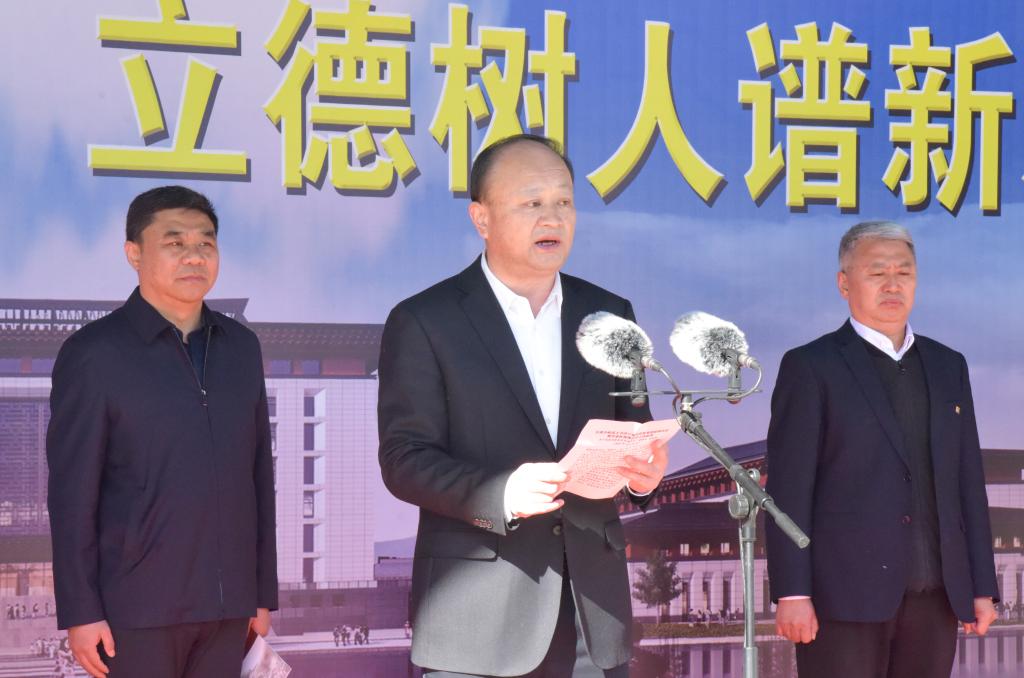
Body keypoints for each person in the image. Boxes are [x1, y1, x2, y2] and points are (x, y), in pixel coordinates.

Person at [378, 133, 668, 677]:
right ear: (481, 218)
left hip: (592, 615)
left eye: (564, 202)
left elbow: (634, 429)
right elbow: (404, 459)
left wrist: (643, 476)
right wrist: (503, 493)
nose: (552, 218)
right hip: (476, 621)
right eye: (531, 202)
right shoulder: (425, 321)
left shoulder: (610, 315)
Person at [46, 186, 278, 678]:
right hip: (135, 611)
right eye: (175, 243)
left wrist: (261, 593)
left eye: (206, 243)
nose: (194, 256)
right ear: (134, 254)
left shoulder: (242, 348)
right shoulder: (94, 353)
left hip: (228, 609)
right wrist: (81, 610)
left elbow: (258, 478)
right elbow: (72, 495)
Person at [765, 221, 999, 678]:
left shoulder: (948, 365)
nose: (893, 285)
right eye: (877, 273)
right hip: (842, 599)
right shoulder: (811, 366)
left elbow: (968, 482)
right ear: (844, 283)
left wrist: (981, 586)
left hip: (935, 596)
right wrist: (792, 591)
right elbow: (788, 490)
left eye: (904, 273)